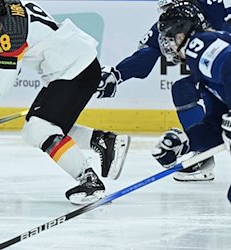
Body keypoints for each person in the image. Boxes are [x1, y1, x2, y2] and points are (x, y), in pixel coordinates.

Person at [0, 0, 131, 205]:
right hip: (72, 66)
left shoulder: (9, 33)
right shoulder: (10, 7)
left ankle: (88, 180)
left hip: (74, 72)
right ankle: (102, 141)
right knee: (35, 129)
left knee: (39, 129)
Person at [98, 0, 230, 182]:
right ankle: (202, 154)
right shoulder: (179, 22)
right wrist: (118, 74)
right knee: (184, 89)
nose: (168, 12)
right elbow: (150, 50)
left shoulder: (210, 21)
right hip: (216, 69)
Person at [153, 1, 231, 203]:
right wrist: (186, 143)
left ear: (181, 35)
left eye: (169, 39)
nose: (168, 46)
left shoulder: (199, 45)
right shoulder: (203, 70)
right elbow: (215, 127)